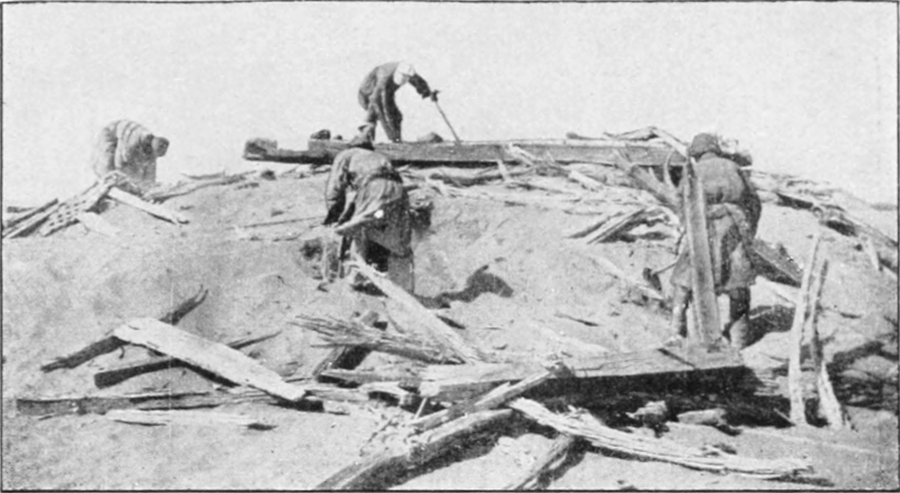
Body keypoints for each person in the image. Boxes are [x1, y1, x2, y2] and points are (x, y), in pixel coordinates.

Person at [668, 133, 762, 349]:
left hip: (702, 229)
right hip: (733, 227)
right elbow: (754, 202)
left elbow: (682, 202)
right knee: (738, 281)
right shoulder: (733, 167)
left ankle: (677, 331)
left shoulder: (693, 171)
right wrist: (749, 228)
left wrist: (686, 225)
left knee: (684, 278)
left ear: (696, 153)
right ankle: (739, 338)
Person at [323, 134, 414, 292]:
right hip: (399, 192)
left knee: (360, 230)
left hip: (373, 187)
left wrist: (333, 214)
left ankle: (356, 279)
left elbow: (334, 187)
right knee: (398, 240)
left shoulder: (347, 154)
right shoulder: (380, 157)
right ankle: (403, 287)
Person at [357, 61, 437, 143]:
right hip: (368, 93)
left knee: (396, 116)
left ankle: (396, 139)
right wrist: (390, 134)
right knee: (376, 114)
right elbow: (380, 105)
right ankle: (367, 139)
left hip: (386, 93)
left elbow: (418, 81)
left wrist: (428, 92)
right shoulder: (384, 77)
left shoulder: (407, 70)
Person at [91, 119, 169, 193]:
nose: (154, 157)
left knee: (135, 171)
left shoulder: (151, 150)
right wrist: (129, 183)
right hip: (111, 134)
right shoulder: (133, 142)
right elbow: (120, 162)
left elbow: (150, 171)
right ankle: (102, 187)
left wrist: (150, 187)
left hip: (126, 138)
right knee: (108, 167)